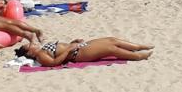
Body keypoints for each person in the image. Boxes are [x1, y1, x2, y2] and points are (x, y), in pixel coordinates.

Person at [16, 36, 154, 66]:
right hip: (78, 54)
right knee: (110, 49)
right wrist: (69, 49)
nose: (33, 45)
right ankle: (138, 57)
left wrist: (72, 43)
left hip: (76, 48)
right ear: (29, 53)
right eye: (30, 46)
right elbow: (54, 62)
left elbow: (60, 49)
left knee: (112, 40)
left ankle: (139, 46)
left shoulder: (42, 50)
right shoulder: (40, 56)